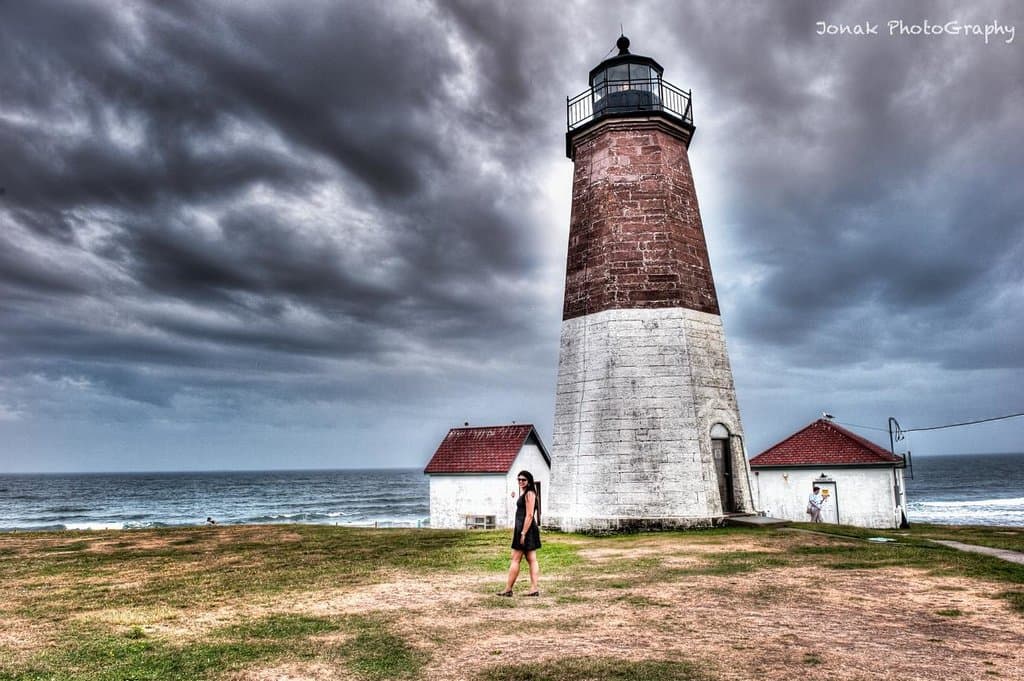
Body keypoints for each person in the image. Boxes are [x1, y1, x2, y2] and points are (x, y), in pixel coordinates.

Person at [497, 470, 541, 597]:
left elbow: (530, 515)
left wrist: (523, 533)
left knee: (516, 559)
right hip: (524, 529)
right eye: (519, 479)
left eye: (523, 480)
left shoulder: (530, 494)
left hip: (525, 530)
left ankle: (508, 589)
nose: (521, 481)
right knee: (531, 559)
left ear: (529, 481)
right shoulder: (526, 493)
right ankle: (533, 589)